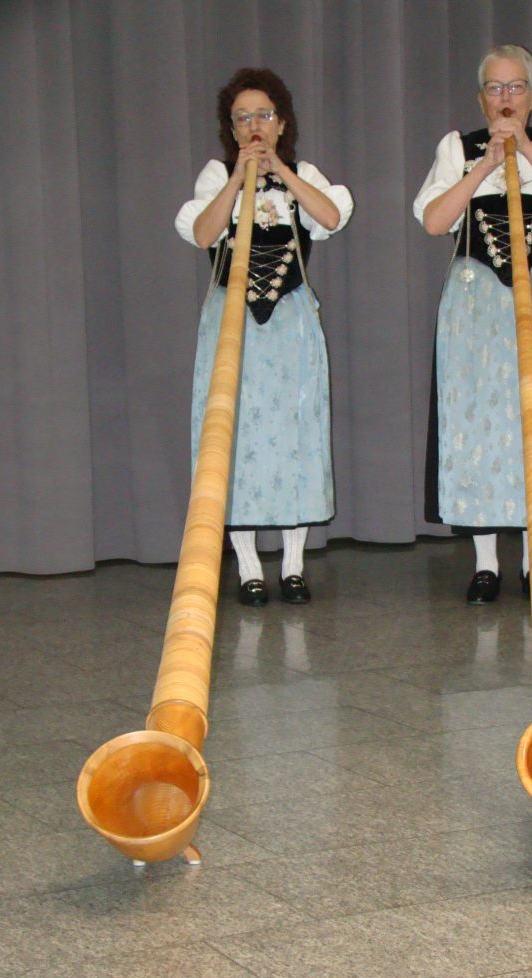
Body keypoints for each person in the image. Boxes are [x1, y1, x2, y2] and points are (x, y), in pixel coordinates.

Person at [413, 44, 532, 604]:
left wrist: (528, 151)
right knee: (480, 426)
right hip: (476, 303)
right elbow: (434, 220)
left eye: (516, 87)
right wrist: (485, 165)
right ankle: (485, 564)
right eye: (495, 88)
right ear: (481, 98)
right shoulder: (458, 148)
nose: (505, 98)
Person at [175, 68, 353, 606]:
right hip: (230, 322)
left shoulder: (304, 173)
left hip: (290, 321)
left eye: (263, 115)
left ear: (281, 124)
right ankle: (249, 567)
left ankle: (293, 566)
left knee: (296, 434)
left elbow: (331, 216)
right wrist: (239, 178)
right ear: (230, 129)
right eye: (242, 118)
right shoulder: (216, 176)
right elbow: (203, 233)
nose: (254, 126)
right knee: (233, 438)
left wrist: (281, 173)